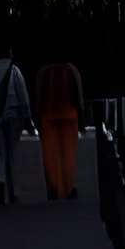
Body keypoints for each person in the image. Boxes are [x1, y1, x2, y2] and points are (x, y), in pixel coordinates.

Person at [0, 49, 31, 207]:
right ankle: (12, 191)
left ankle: (1, 188)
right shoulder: (14, 69)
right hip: (14, 115)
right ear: (8, 53)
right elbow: (22, 93)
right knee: (12, 153)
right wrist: (27, 116)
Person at [35, 57, 83, 201]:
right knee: (68, 153)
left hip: (48, 117)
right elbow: (78, 94)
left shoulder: (43, 71)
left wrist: (37, 116)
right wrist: (81, 114)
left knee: (50, 154)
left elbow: (39, 96)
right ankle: (68, 188)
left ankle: (54, 187)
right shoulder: (71, 69)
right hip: (69, 115)